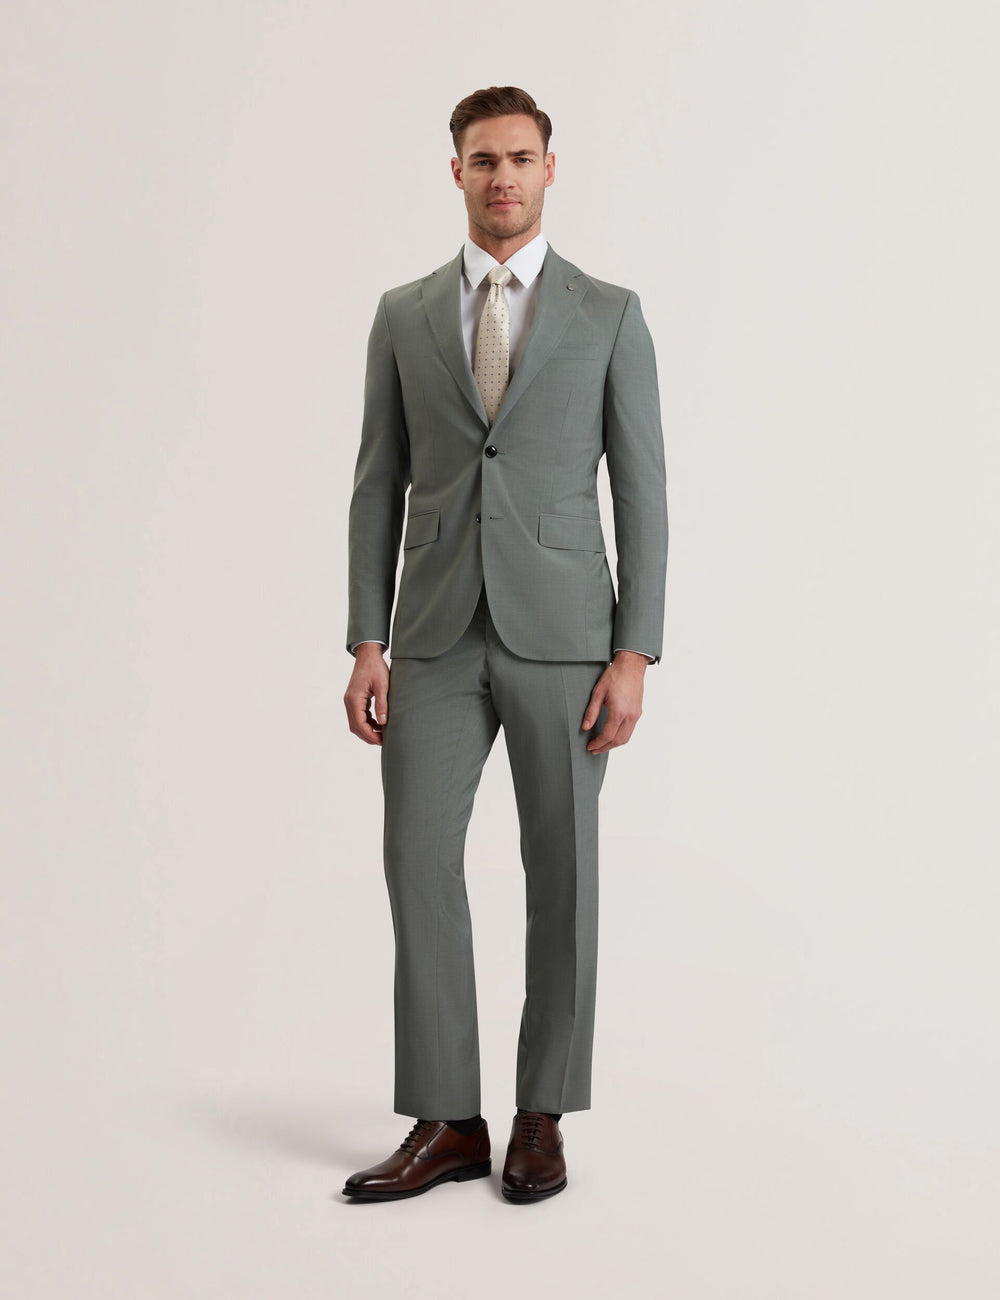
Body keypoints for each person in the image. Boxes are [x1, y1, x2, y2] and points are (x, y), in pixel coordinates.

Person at [341, 85, 668, 1203]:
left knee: (561, 869)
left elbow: (644, 490)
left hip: (567, 636)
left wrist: (635, 652)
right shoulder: (403, 313)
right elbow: (377, 482)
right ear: (456, 172)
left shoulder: (608, 312)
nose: (503, 178)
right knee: (416, 857)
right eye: (483, 160)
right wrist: (366, 638)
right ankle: (445, 1119)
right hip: (432, 633)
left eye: (521, 158)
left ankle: (542, 1115)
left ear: (549, 168)